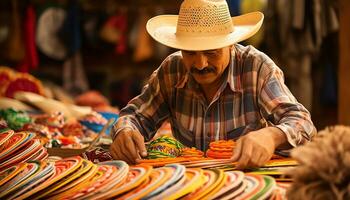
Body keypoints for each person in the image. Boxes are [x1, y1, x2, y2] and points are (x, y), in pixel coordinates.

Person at [109, 0, 316, 168]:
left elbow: (303, 123)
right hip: (189, 184)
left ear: (230, 44)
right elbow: (135, 115)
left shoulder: (256, 68)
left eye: (211, 52)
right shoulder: (172, 70)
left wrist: (271, 136)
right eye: (190, 52)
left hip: (247, 183)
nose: (200, 64)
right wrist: (125, 132)